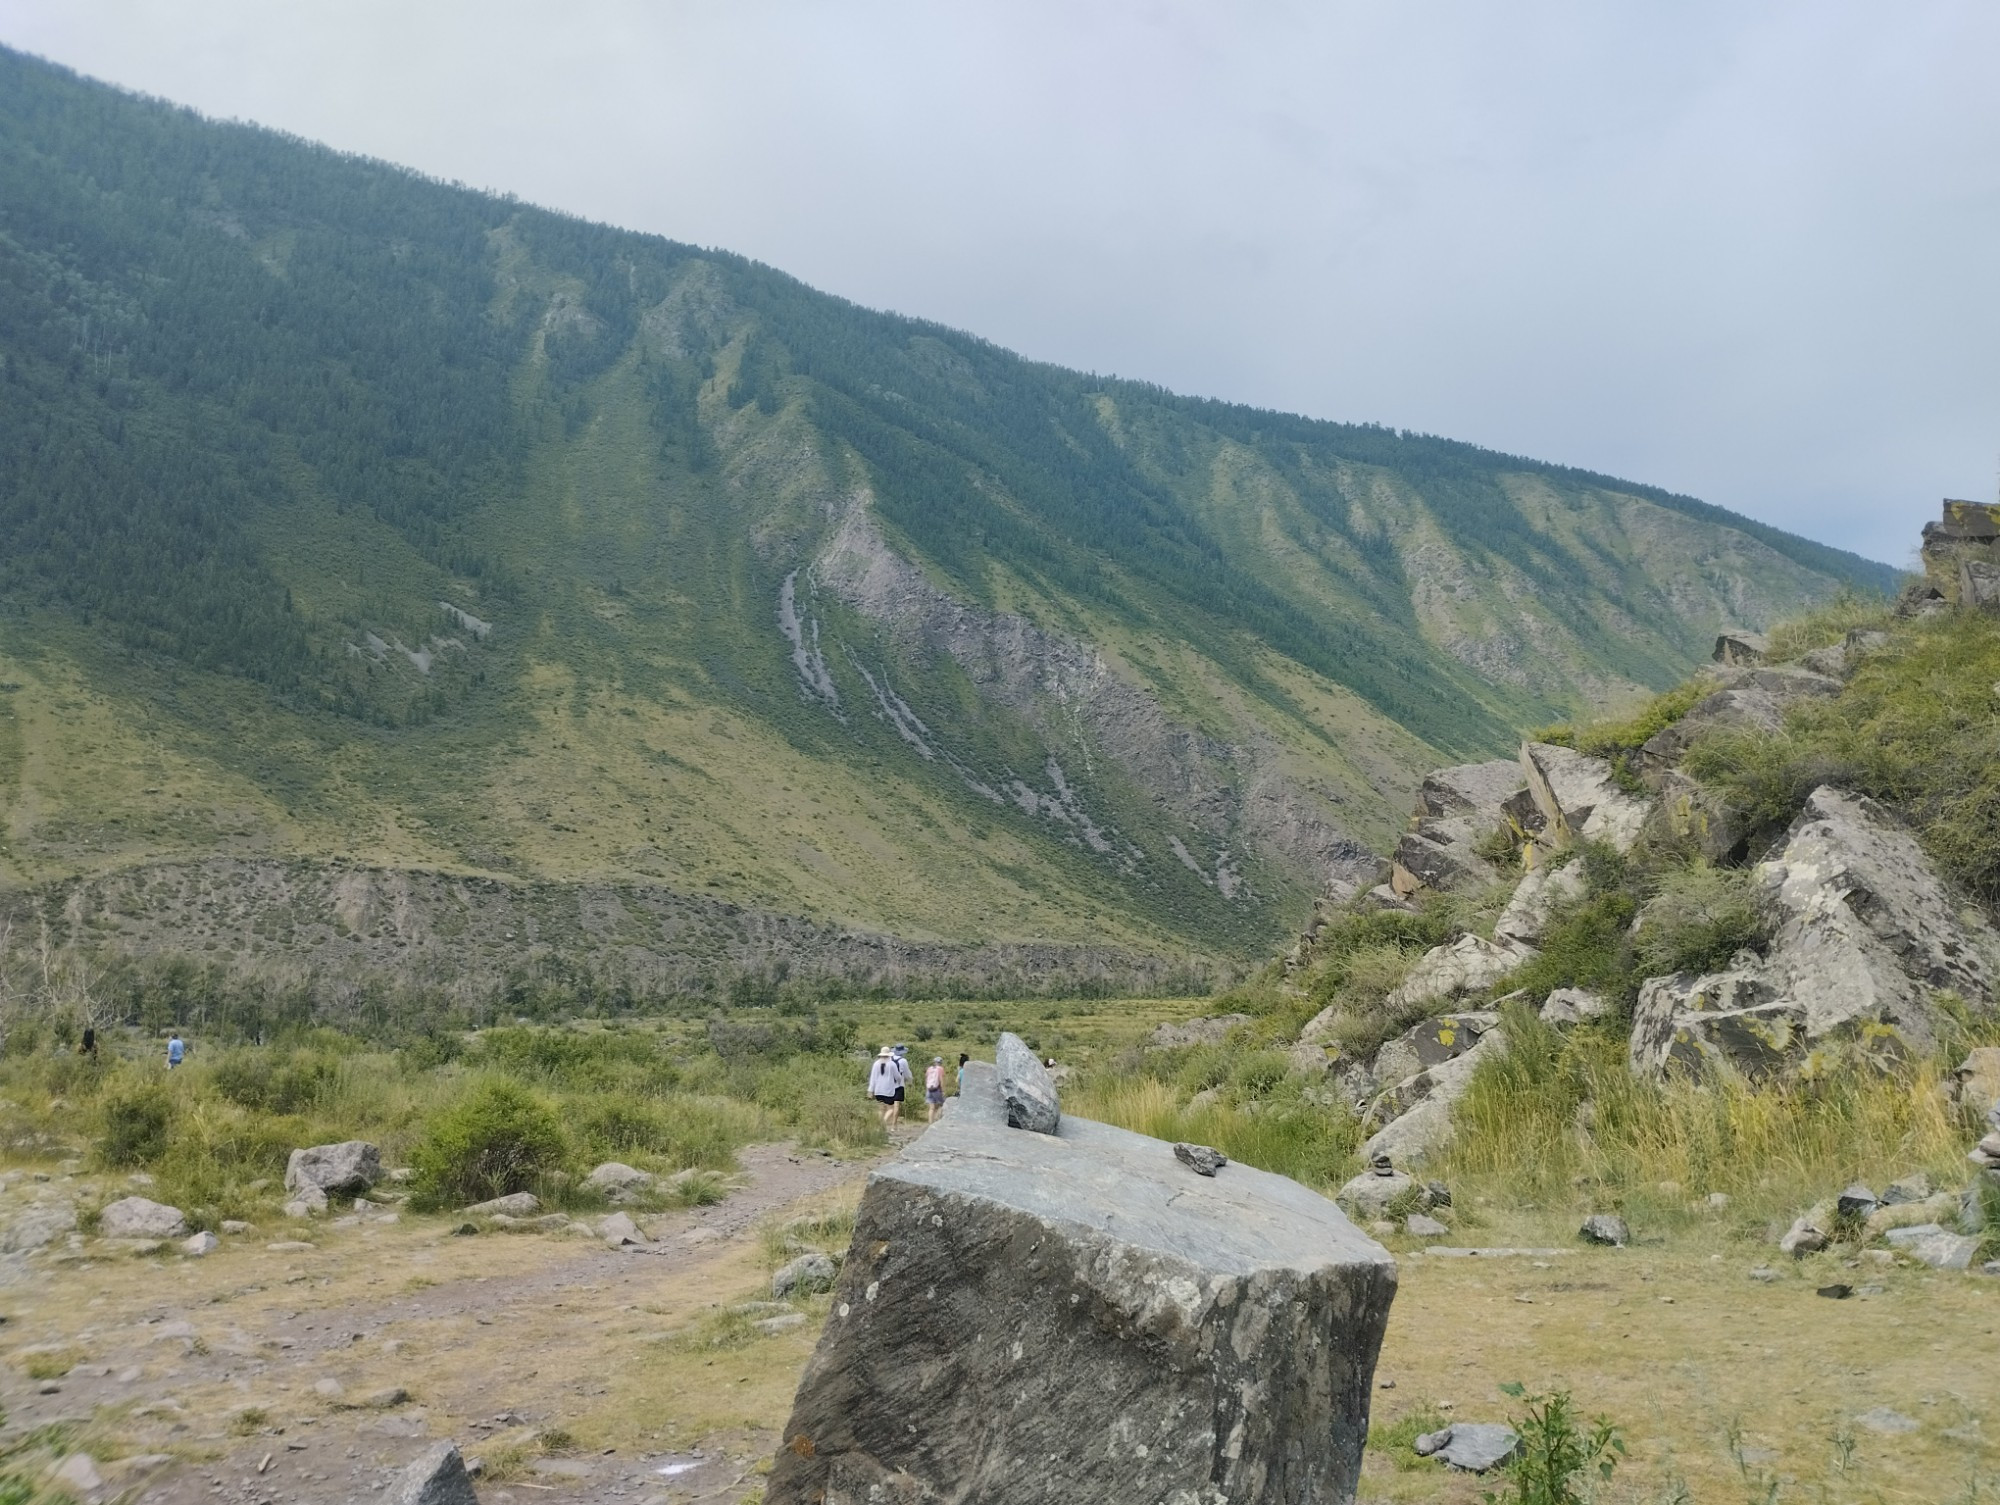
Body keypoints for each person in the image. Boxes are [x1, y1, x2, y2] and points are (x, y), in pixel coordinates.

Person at [867, 1046, 900, 1129]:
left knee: (880, 1109)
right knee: (891, 1109)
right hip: (889, 1090)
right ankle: (883, 1122)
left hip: (878, 1090)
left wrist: (870, 1090)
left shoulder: (876, 1064)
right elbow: (897, 1076)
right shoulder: (892, 1064)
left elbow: (873, 1078)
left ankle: (878, 1125)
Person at [889, 1044, 913, 1127]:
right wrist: (910, 1082)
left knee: (888, 1105)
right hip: (899, 1085)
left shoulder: (889, 1059)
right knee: (896, 1104)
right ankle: (893, 1125)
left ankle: (884, 1122)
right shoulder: (903, 1061)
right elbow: (907, 1074)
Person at [924, 1056, 947, 1123]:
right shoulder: (940, 1069)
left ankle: (930, 1122)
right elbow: (941, 1080)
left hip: (929, 1089)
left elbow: (926, 1079)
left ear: (934, 1062)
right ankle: (938, 1120)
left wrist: (927, 1089)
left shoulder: (929, 1069)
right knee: (942, 1104)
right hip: (937, 1090)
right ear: (941, 1062)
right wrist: (943, 1090)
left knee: (931, 1108)